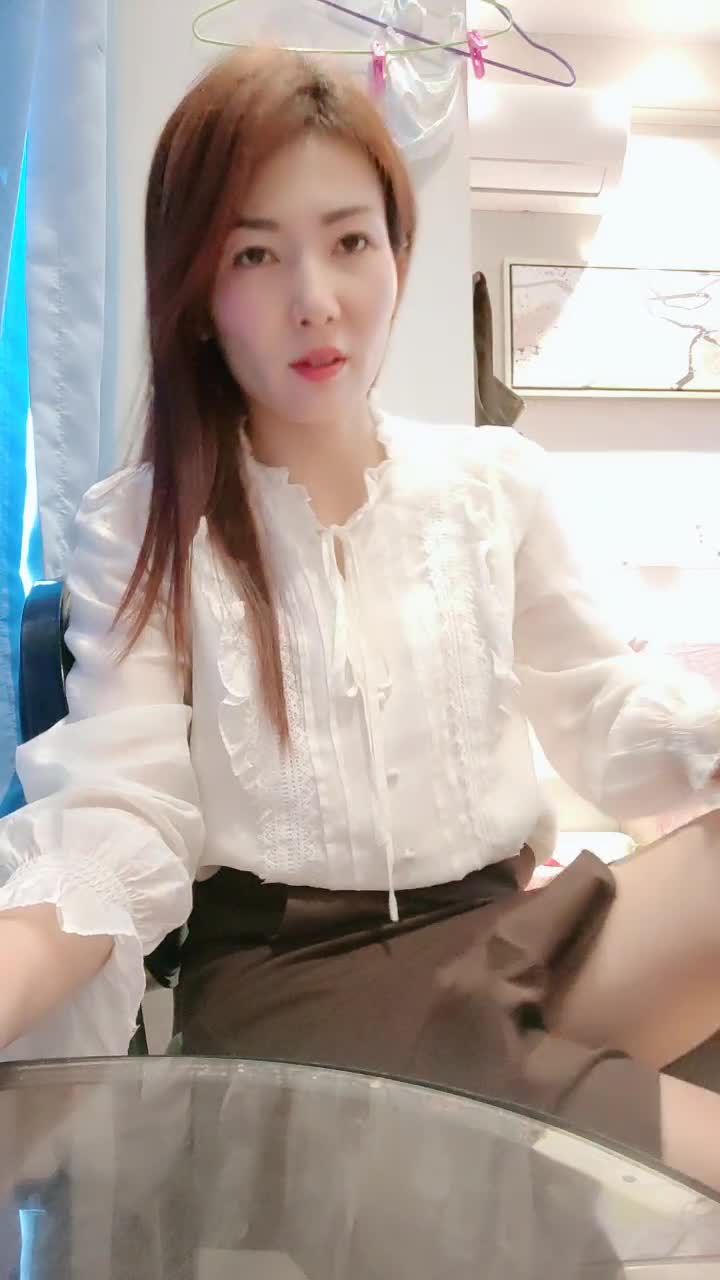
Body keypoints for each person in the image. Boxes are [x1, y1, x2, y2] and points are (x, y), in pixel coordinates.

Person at [2, 46, 720, 1192]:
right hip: (297, 993)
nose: (315, 299)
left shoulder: (496, 484)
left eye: (349, 241)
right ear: (197, 291)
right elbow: (119, 819)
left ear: (399, 254)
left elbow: (606, 714)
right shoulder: (143, 526)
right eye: (255, 253)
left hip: (504, 943)